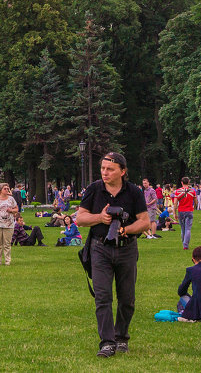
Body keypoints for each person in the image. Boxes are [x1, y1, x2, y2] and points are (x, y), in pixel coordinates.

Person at [75, 151, 150, 358]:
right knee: (103, 296)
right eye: (103, 169)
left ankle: (121, 337)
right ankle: (107, 342)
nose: (105, 173)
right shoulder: (94, 189)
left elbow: (145, 221)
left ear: (122, 171)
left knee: (127, 298)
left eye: (110, 169)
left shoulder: (134, 192)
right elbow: (80, 219)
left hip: (127, 248)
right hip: (100, 248)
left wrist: (127, 230)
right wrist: (100, 217)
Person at [172, 178, 195, 250]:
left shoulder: (178, 191)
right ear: (188, 182)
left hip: (181, 211)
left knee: (183, 229)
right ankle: (185, 245)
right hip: (189, 211)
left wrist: (174, 213)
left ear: (181, 182)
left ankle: (184, 243)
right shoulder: (192, 191)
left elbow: (175, 203)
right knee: (188, 229)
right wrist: (194, 207)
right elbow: (196, 201)